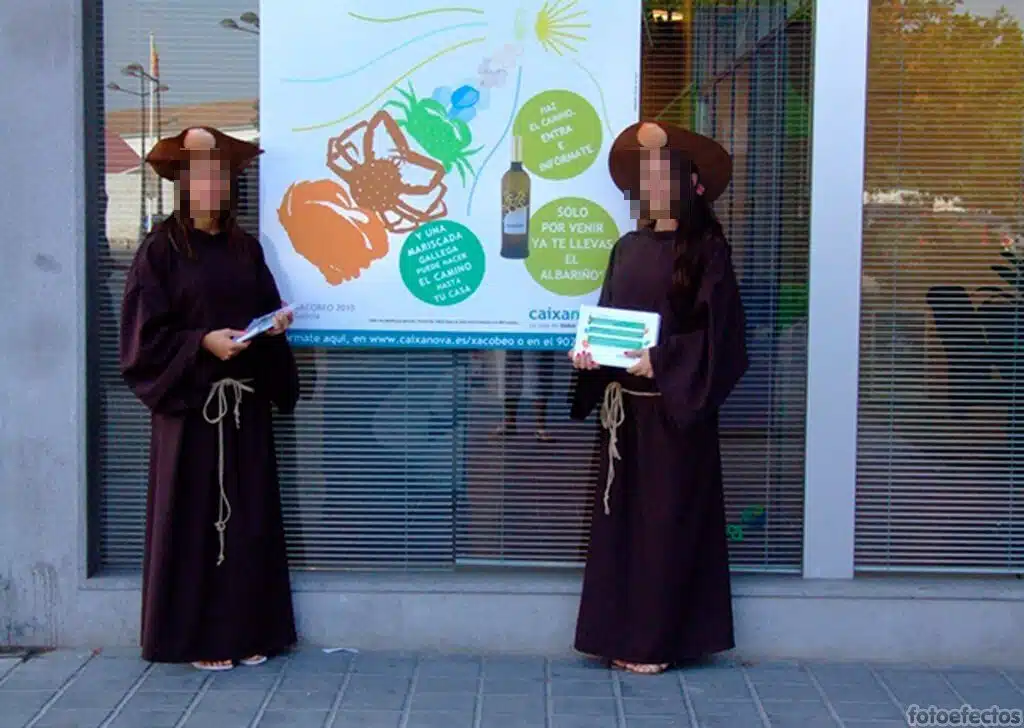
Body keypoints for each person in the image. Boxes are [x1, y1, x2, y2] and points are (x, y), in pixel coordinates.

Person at [568, 121, 748, 674]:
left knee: (664, 528)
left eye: (665, 174)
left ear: (693, 185)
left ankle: (655, 644)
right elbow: (607, 318)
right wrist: (589, 356)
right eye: (647, 176)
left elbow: (726, 340)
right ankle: (615, 636)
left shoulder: (708, 250)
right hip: (625, 415)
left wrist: (664, 359)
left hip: (675, 418)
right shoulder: (626, 248)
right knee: (621, 526)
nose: (654, 184)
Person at [120, 126, 300, 671]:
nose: (209, 185)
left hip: (243, 408)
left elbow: (263, 308)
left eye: (219, 175)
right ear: (182, 182)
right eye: (199, 175)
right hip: (191, 412)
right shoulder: (161, 249)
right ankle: (197, 640)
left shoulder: (247, 248)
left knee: (247, 522)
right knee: (197, 522)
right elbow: (143, 336)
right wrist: (200, 342)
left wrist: (271, 328)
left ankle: (249, 632)